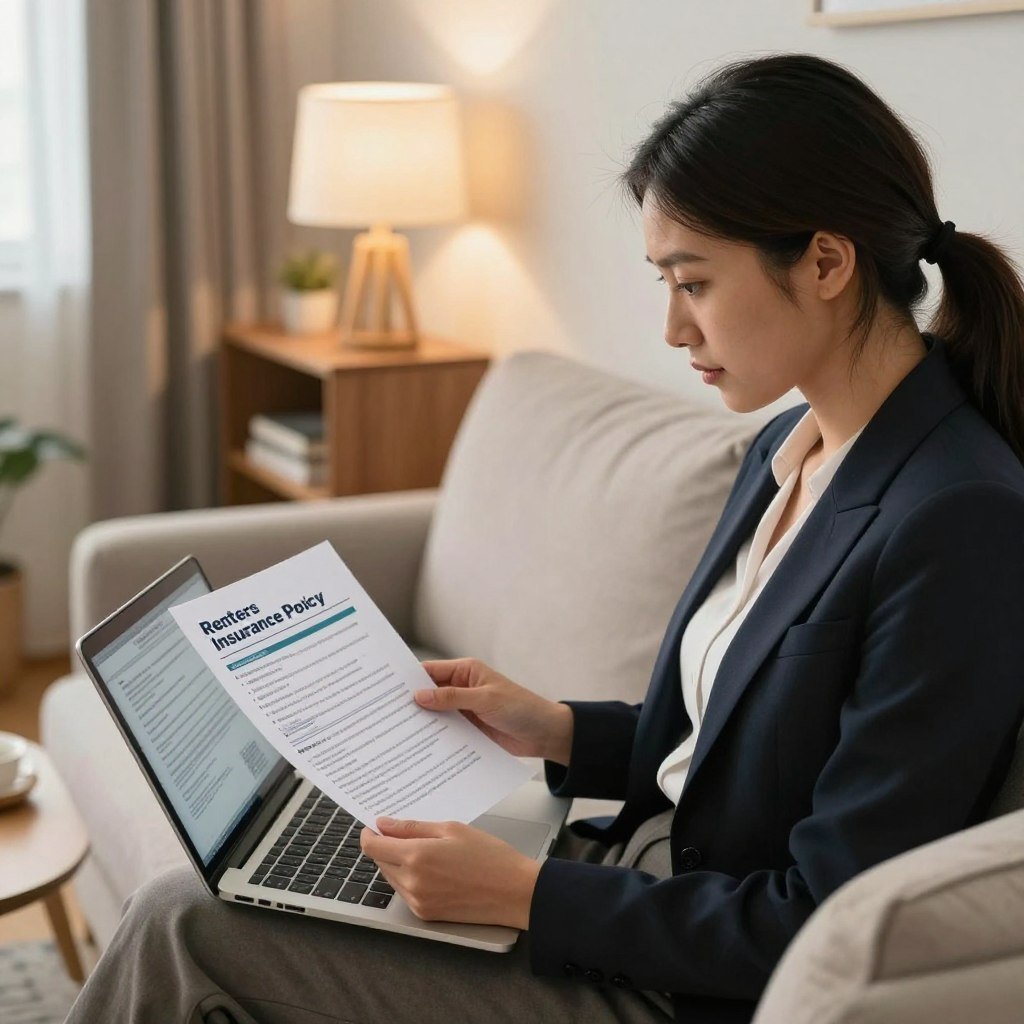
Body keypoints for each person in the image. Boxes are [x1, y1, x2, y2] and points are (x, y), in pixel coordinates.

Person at [65, 52, 1024, 1024]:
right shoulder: (789, 441)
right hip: (616, 882)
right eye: (661, 281)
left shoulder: (957, 517)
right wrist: (555, 726)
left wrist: (518, 894)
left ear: (825, 262)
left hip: (687, 979)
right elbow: (725, 739)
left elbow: (832, 917)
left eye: (691, 282)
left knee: (187, 923)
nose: (669, 327)